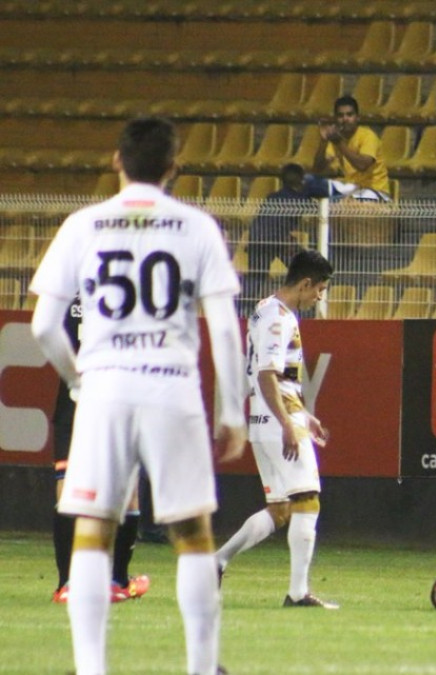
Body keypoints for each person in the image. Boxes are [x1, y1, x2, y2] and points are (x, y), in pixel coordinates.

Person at [29, 116, 246, 675]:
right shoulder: (196, 226)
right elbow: (223, 328)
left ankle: (91, 668)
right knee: (192, 531)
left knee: (94, 528)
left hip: (104, 390)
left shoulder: (84, 224)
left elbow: (44, 326)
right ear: (174, 169)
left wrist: (79, 380)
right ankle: (201, 666)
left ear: (115, 161)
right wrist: (230, 410)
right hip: (172, 389)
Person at [216, 250, 338, 610]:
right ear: (305, 283)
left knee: (281, 509)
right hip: (277, 421)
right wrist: (288, 422)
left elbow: (272, 374)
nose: (319, 297)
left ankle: (216, 562)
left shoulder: (264, 307)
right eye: (319, 289)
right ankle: (298, 593)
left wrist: (304, 415)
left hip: (264, 419)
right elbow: (267, 373)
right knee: (308, 499)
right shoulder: (279, 319)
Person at [51, 297, 151, 605]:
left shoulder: (70, 289)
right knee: (128, 489)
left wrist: (74, 378)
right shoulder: (131, 290)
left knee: (66, 487)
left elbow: (48, 330)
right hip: (116, 397)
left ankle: (67, 583)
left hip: (75, 398)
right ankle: (117, 580)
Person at [242, 163, 314, 316]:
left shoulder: (273, 197)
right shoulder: (301, 199)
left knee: (256, 276)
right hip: (277, 240)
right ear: (301, 179)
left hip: (258, 240)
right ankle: (304, 308)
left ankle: (241, 310)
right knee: (305, 270)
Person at [309, 95, 391, 201]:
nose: (345, 119)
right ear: (335, 119)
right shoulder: (336, 138)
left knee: (333, 203)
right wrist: (324, 141)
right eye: (340, 116)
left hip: (374, 191)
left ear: (357, 118)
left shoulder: (368, 136)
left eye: (349, 115)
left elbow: (362, 165)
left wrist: (339, 143)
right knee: (309, 181)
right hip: (352, 188)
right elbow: (317, 169)